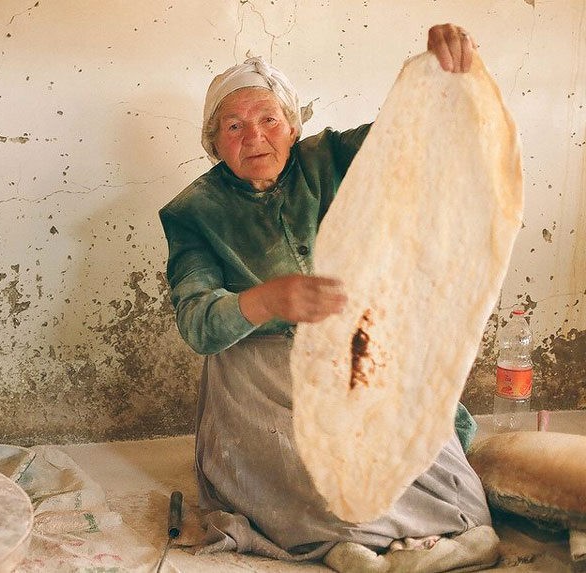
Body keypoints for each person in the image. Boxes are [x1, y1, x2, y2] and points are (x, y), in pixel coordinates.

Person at [159, 24, 497, 568]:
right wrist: (265, 301)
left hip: (358, 349)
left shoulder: (334, 158)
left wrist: (440, 72)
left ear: (292, 126)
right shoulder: (192, 213)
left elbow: (412, 131)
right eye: (234, 126)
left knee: (413, 442)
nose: (254, 137)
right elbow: (198, 323)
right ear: (214, 144)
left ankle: (451, 535)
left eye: (269, 119)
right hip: (264, 372)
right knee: (279, 422)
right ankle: (340, 541)